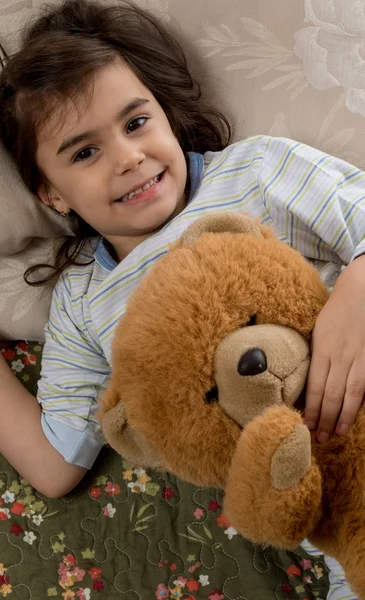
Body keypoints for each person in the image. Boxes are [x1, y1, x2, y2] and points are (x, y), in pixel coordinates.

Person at [1, 0, 365, 500]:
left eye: (135, 123)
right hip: (330, 510)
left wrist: (357, 290)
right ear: (51, 194)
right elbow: (56, 464)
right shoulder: (84, 300)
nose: (129, 158)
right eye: (85, 153)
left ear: (165, 113)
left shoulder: (254, 172)